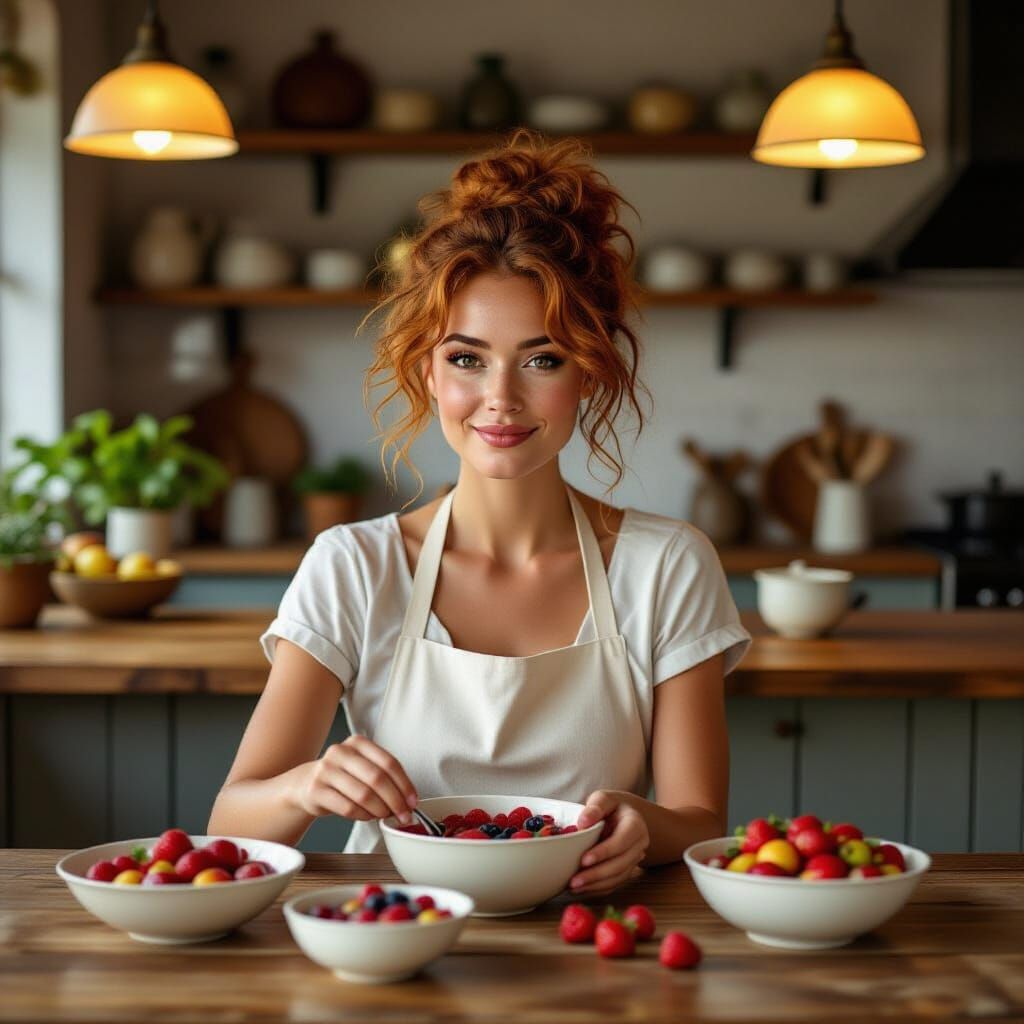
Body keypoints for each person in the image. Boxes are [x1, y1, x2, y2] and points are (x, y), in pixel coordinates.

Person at [209, 130, 751, 897]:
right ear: (427, 370)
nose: (500, 398)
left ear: (589, 371)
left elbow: (700, 820)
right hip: (394, 933)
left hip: (592, 939)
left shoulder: (666, 565)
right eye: (467, 358)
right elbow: (231, 823)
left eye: (542, 359)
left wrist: (642, 825)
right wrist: (306, 786)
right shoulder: (354, 566)